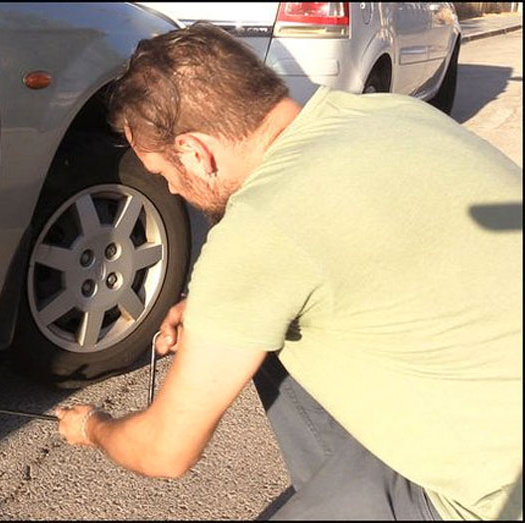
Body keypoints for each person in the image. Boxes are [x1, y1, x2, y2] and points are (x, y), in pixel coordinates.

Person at [53, 23, 522, 520]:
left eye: (165, 175)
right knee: (268, 334)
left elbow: (164, 451)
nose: (171, 191)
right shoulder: (389, 113)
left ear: (195, 152)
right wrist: (214, 310)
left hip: (493, 495)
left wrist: (94, 427)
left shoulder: (260, 226)